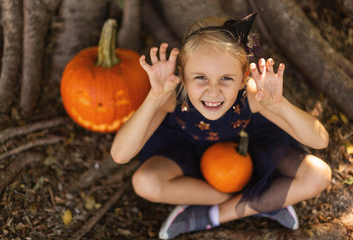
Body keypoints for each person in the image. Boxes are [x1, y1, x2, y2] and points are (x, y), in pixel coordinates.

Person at [110, 13, 331, 239]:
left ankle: (213, 216)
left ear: (244, 78)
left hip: (251, 150)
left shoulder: (253, 95)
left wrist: (279, 105)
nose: (213, 91)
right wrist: (154, 98)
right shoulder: (170, 97)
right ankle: (262, 202)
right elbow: (120, 154)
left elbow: (320, 141)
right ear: (183, 77)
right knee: (144, 183)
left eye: (226, 78)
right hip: (188, 152)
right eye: (200, 78)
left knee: (319, 176)